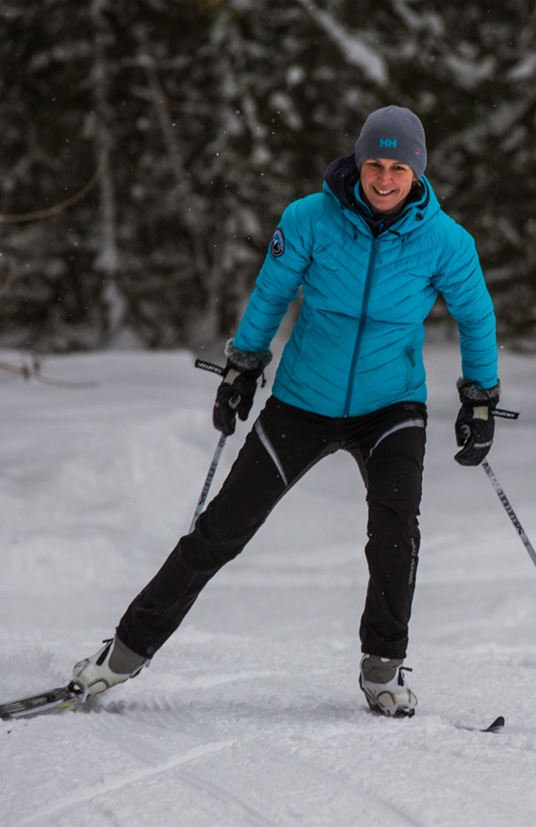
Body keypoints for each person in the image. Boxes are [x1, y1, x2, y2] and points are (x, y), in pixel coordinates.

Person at [71, 105, 501, 717]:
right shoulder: (308, 219)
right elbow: (271, 292)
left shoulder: (447, 242)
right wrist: (243, 365)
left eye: (397, 168)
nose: (383, 179)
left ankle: (383, 667)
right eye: (374, 164)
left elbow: (476, 315)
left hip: (391, 405)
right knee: (221, 531)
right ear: (357, 162)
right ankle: (123, 653)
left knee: (395, 533)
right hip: (303, 400)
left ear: (417, 172)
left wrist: (480, 398)